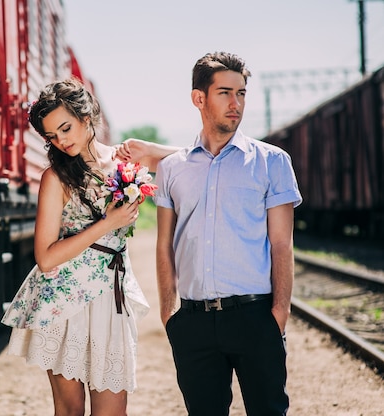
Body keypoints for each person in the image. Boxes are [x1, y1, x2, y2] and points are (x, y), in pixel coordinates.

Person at [1, 78, 172, 416]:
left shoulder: (126, 164)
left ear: (86, 116)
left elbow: (195, 161)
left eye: (65, 128)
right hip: (65, 304)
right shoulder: (57, 178)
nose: (61, 141)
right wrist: (107, 223)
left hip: (111, 297)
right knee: (70, 412)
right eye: (51, 136)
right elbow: (46, 258)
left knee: (113, 412)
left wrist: (150, 148)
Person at [153, 51, 303, 415]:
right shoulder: (172, 169)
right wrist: (169, 314)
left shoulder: (272, 161)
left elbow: (282, 244)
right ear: (199, 98)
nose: (236, 103)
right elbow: (163, 245)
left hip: (254, 317)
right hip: (193, 323)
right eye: (224, 93)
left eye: (242, 93)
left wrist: (278, 313)